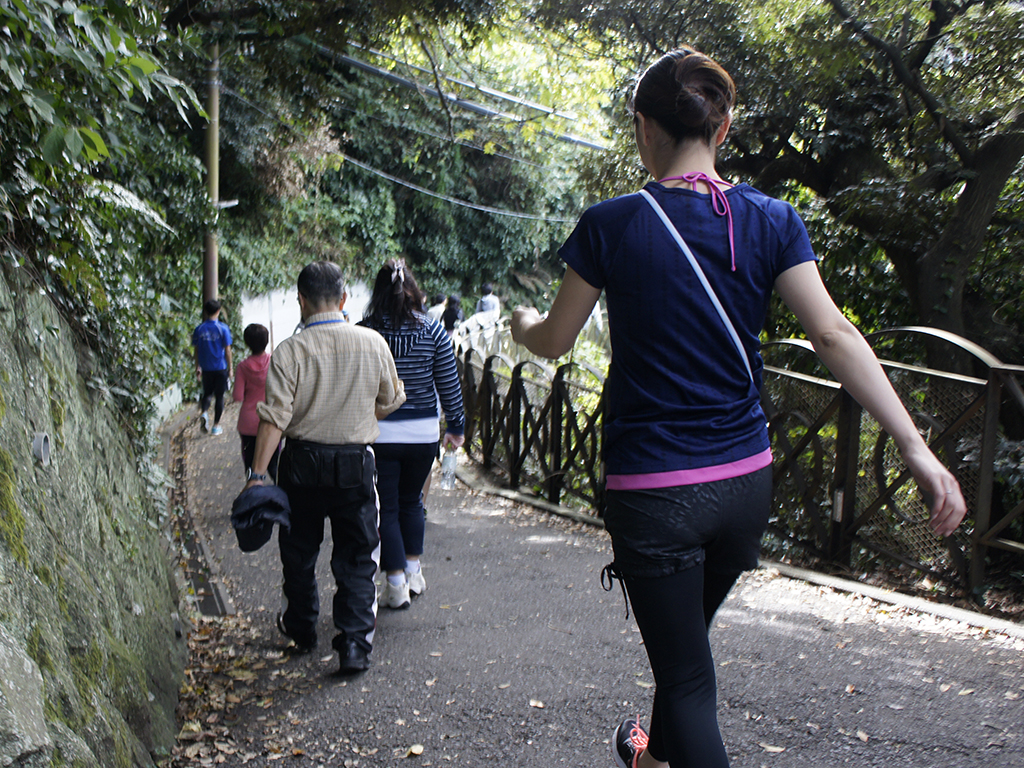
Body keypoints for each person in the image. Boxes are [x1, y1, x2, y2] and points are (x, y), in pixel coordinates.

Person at [510, 48, 967, 768]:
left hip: (657, 491)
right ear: (721, 130)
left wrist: (523, 325)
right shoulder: (772, 219)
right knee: (684, 649)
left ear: (643, 128)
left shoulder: (611, 224)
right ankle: (652, 759)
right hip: (744, 485)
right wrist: (915, 446)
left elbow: (555, 339)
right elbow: (833, 334)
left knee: (688, 679)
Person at [244, 261, 406, 674]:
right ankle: (353, 645)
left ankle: (301, 629)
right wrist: (356, 414)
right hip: (355, 465)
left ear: (301, 300)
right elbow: (390, 401)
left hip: (300, 465)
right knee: (357, 556)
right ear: (344, 298)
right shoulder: (372, 343)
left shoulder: (289, 351)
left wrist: (257, 476)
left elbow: (274, 419)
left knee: (298, 553)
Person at [359, 259, 465, 609]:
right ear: (413, 289)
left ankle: (395, 585)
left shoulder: (365, 332)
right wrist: (456, 427)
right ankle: (414, 572)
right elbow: (449, 382)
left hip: (380, 433)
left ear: (377, 292)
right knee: (413, 502)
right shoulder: (433, 330)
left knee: (386, 508)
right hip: (423, 434)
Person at [232, 323, 280, 479]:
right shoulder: (275, 362)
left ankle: (253, 492)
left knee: (251, 468)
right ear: (266, 341)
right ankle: (281, 493)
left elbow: (238, 396)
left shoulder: (242, 367)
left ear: (247, 343)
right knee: (275, 465)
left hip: (248, 424)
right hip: (271, 420)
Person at [192, 299, 233, 436]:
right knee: (219, 397)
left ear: (205, 311)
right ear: (218, 311)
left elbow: (196, 350)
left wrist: (197, 366)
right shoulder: (223, 328)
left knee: (207, 393)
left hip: (206, 368)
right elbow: (227, 350)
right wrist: (231, 368)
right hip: (220, 368)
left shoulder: (199, 329)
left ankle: (204, 412)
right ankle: (216, 426)